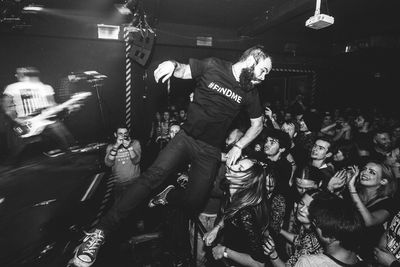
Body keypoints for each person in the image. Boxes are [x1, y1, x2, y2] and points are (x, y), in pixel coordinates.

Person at [71, 45, 272, 267]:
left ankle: (169, 195)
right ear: (251, 61)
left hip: (210, 150)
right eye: (263, 70)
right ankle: (99, 233)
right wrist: (172, 65)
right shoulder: (214, 65)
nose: (264, 77)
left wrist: (239, 146)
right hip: (186, 138)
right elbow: (183, 69)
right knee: (151, 177)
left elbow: (258, 124)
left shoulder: (250, 92)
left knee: (194, 202)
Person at [1, 67, 77, 164]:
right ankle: (10, 168)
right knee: (15, 153)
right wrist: (16, 119)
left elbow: (52, 104)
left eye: (21, 72)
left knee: (65, 138)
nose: (17, 75)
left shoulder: (44, 87)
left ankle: (72, 159)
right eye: (17, 73)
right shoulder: (12, 87)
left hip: (44, 119)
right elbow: (5, 105)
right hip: (25, 122)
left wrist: (68, 105)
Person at [205, 158, 269, 267]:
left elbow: (259, 263)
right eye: (237, 164)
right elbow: (230, 214)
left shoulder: (246, 213)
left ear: (247, 181)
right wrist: (217, 229)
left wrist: (225, 252)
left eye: (240, 168)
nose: (231, 166)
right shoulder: (231, 193)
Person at [294, 195, 366, 267]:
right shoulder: (361, 260)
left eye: (316, 224)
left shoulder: (309, 263)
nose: (314, 225)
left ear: (330, 237)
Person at [104, 126, 141, 202]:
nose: (123, 136)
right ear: (115, 135)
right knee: (120, 208)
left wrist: (129, 147)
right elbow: (108, 164)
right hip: (119, 184)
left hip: (134, 180)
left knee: (135, 206)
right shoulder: (110, 147)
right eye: (120, 134)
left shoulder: (135, 143)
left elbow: (136, 161)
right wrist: (116, 147)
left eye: (125, 133)